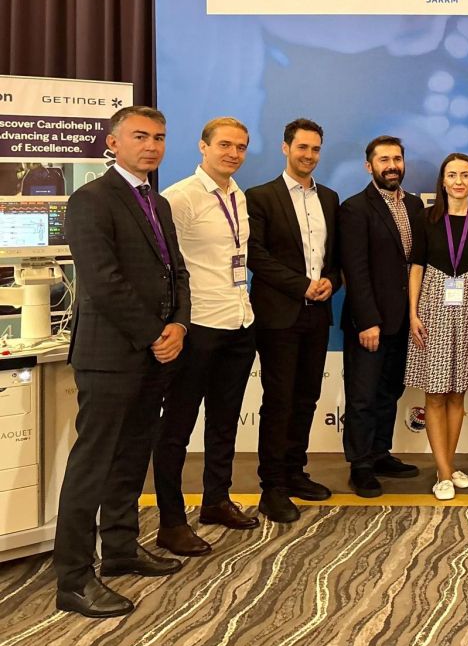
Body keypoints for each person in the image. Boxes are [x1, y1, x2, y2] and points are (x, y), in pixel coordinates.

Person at [54, 106, 190, 618]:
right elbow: (103, 281)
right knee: (92, 465)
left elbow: (177, 273)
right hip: (110, 355)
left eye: (159, 137)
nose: (152, 145)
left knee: (133, 456)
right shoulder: (90, 200)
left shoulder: (158, 202)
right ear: (112, 142)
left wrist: (179, 325)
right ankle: (73, 579)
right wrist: (155, 333)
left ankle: (120, 549)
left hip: (156, 354)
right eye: (140, 136)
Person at [153, 117, 259, 559]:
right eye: (225, 145)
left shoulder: (238, 195)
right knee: (176, 428)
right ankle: (171, 522)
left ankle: (216, 500)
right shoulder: (178, 197)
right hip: (196, 327)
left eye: (241, 147)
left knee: (224, 421)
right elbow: (162, 266)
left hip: (238, 322)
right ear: (203, 146)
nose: (233, 154)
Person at [246, 118, 340, 523]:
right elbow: (256, 255)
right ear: (285, 148)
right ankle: (272, 487)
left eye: (316, 149)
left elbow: (336, 257)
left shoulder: (330, 198)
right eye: (302, 147)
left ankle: (295, 472)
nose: (309, 155)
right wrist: (302, 286)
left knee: (306, 398)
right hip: (278, 314)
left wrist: (332, 281)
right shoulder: (260, 197)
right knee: (279, 400)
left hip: (318, 314)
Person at [338, 136, 425, 498]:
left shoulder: (415, 205)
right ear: (369, 166)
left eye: (397, 159)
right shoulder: (355, 208)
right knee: (363, 396)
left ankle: (379, 453)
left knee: (390, 390)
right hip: (370, 322)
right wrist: (367, 320)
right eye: (384, 159)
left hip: (404, 320)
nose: (392, 166)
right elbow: (355, 270)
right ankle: (360, 466)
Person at [407, 152, 468, 501]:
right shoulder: (427, 218)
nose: (458, 181)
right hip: (433, 305)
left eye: (465, 175)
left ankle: (447, 464)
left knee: (458, 393)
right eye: (452, 175)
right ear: (442, 182)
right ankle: (443, 472)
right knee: (434, 392)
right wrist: (413, 312)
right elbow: (416, 266)